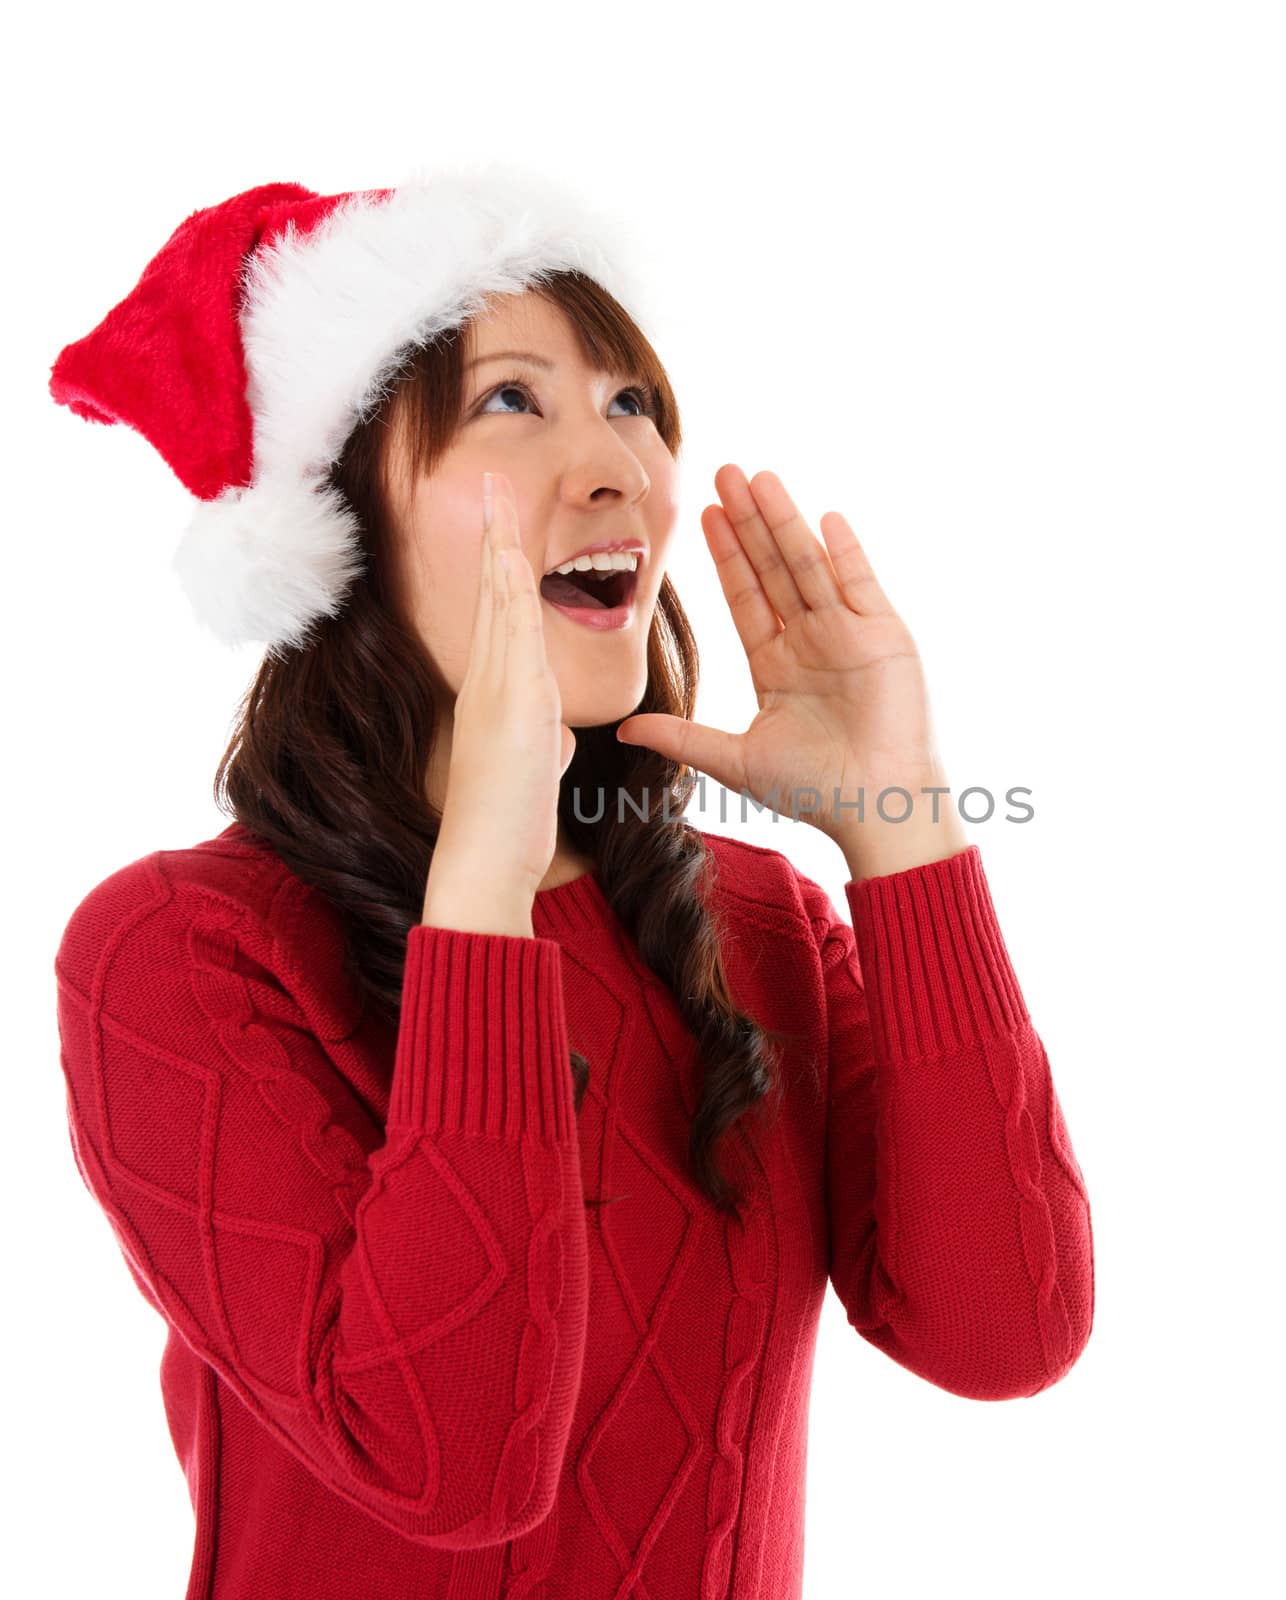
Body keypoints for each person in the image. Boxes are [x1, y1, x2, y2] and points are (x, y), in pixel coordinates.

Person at [48, 159, 1095, 1600]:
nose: (614, 469)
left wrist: (902, 832)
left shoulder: (760, 925)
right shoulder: (179, 952)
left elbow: (1004, 1335)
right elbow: (449, 1465)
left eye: (630, 404)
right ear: (343, 522)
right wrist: (481, 883)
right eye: (511, 403)